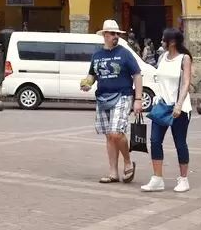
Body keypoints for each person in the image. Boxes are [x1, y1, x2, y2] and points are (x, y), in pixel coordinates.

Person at [81, 19, 143, 185]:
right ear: (105, 35)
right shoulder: (97, 55)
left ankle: (128, 162)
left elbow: (137, 75)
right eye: (113, 34)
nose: (116, 36)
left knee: (116, 132)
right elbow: (93, 75)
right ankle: (113, 172)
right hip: (102, 97)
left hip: (122, 95)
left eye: (117, 34)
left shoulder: (124, 53)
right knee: (109, 136)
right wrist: (87, 83)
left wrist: (138, 99)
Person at [141, 28, 193, 194]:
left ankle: (183, 178)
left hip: (179, 108)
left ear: (172, 42)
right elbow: (159, 80)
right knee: (155, 140)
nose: (161, 41)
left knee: (180, 143)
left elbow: (186, 83)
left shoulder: (184, 59)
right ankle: (157, 178)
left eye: (164, 39)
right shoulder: (162, 57)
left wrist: (179, 104)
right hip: (162, 106)